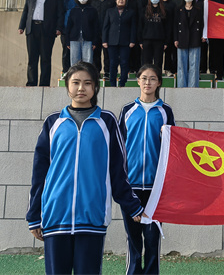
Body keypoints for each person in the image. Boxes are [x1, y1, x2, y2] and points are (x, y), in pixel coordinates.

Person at [27, 61, 143, 275]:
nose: (81, 88)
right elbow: (39, 172)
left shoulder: (107, 122)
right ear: (67, 86)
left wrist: (132, 204)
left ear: (95, 87)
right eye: (76, 82)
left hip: (92, 216)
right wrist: (34, 214)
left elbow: (118, 170)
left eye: (87, 83)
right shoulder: (53, 122)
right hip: (55, 215)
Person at [119, 64, 176, 275]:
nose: (148, 82)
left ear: (158, 83)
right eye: (144, 78)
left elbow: (173, 146)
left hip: (156, 187)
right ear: (138, 81)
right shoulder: (127, 111)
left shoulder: (165, 111)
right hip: (130, 185)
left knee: (152, 239)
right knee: (133, 239)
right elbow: (118, 146)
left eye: (152, 79)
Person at [18, 0, 64, 86]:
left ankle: (44, 84)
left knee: (45, 58)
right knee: (32, 58)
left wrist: (59, 28)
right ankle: (31, 83)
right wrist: (21, 26)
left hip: (47, 29)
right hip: (32, 28)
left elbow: (60, 13)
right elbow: (26, 11)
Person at [102, 0, 137, 87]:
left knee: (124, 62)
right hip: (112, 41)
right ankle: (112, 83)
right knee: (113, 63)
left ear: (126, 0)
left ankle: (122, 82)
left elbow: (133, 27)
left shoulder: (131, 12)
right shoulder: (110, 11)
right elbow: (106, 27)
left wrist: (132, 40)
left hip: (126, 42)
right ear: (116, 0)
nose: (121, 0)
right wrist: (104, 40)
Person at [174, 0, 205, 87]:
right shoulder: (178, 9)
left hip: (195, 38)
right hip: (181, 38)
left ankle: (193, 87)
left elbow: (202, 24)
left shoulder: (198, 9)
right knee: (181, 65)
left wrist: (203, 35)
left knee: (194, 65)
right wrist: (175, 39)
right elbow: (175, 25)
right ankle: (181, 86)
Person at [66, 0, 99, 65]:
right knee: (74, 63)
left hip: (88, 40)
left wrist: (95, 41)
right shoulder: (73, 10)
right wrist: (67, 41)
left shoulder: (93, 10)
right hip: (74, 39)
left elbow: (96, 27)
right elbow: (69, 26)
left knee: (88, 62)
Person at [140, 0, 170, 69]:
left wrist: (166, 42)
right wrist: (140, 41)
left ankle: (157, 77)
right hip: (146, 40)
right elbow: (140, 26)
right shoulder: (144, 10)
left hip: (159, 40)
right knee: (146, 63)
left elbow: (167, 27)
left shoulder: (165, 11)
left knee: (158, 62)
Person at [91, 0, 115, 78]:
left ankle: (107, 72)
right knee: (95, 53)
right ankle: (96, 72)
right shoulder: (93, 1)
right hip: (95, 31)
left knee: (107, 54)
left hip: (108, 32)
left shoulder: (112, 2)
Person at [62, 0, 83, 73]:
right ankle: (66, 72)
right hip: (67, 30)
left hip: (81, 31)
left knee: (80, 53)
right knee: (67, 52)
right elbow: (60, 13)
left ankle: (79, 73)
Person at [200, 0, 218, 74]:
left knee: (214, 51)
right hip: (203, 29)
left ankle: (213, 69)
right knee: (203, 51)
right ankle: (202, 69)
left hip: (214, 29)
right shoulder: (201, 0)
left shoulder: (218, 0)